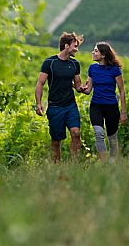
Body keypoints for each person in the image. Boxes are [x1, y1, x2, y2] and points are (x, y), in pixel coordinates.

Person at [35, 31, 85, 163]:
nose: (77, 49)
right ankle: (57, 167)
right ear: (66, 46)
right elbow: (40, 83)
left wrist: (85, 87)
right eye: (75, 46)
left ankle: (74, 165)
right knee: (56, 141)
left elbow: (78, 86)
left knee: (76, 133)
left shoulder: (75, 64)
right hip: (55, 107)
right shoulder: (49, 62)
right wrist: (38, 103)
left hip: (70, 105)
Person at [81, 42, 127, 162]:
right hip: (96, 106)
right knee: (99, 133)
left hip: (111, 107)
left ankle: (113, 162)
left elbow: (122, 91)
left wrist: (123, 112)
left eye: (95, 51)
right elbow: (88, 90)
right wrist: (79, 88)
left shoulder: (115, 70)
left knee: (112, 138)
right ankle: (104, 161)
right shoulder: (92, 68)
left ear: (103, 54)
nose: (93, 52)